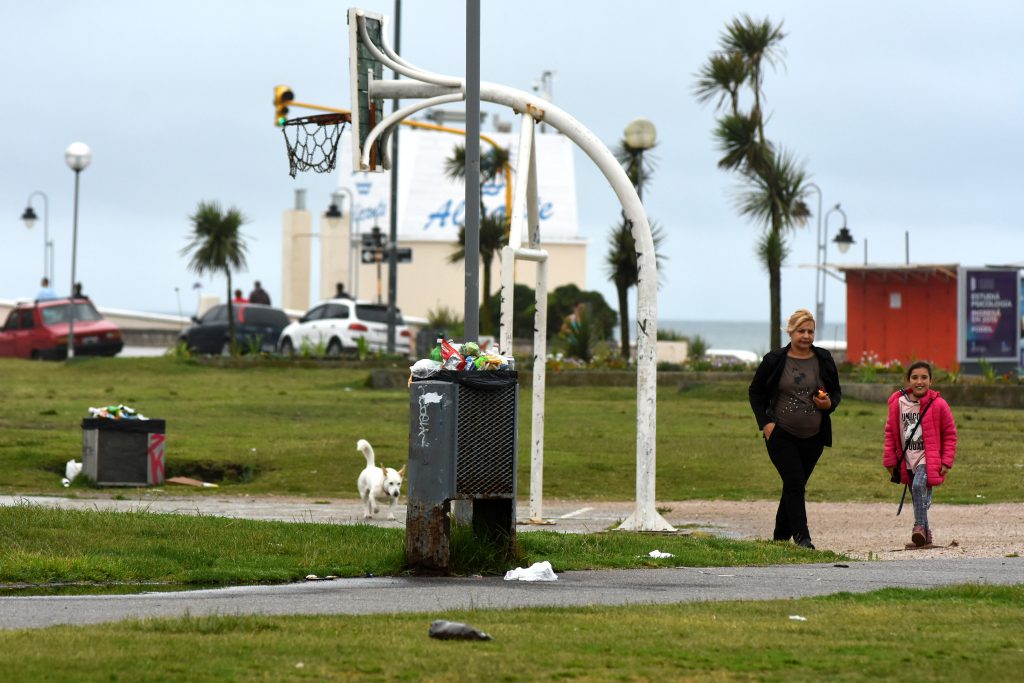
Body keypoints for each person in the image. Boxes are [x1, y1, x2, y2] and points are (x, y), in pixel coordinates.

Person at [748, 308, 842, 549]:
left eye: (810, 331)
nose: (807, 335)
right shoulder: (774, 360)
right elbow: (755, 392)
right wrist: (766, 424)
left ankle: (779, 539)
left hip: (815, 436)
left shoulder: (824, 358)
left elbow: (836, 391)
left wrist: (829, 403)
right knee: (795, 482)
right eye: (801, 330)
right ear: (790, 331)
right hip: (781, 434)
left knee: (794, 485)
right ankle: (803, 537)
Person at [883, 361, 957, 548]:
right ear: (908, 380)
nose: (919, 381)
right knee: (918, 497)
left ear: (931, 381)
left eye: (924, 377)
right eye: (915, 377)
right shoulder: (898, 403)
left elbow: (950, 434)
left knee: (918, 487)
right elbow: (891, 432)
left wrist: (946, 461)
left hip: (928, 458)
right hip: (907, 458)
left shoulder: (938, 404)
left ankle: (918, 527)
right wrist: (890, 461)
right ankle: (925, 536)